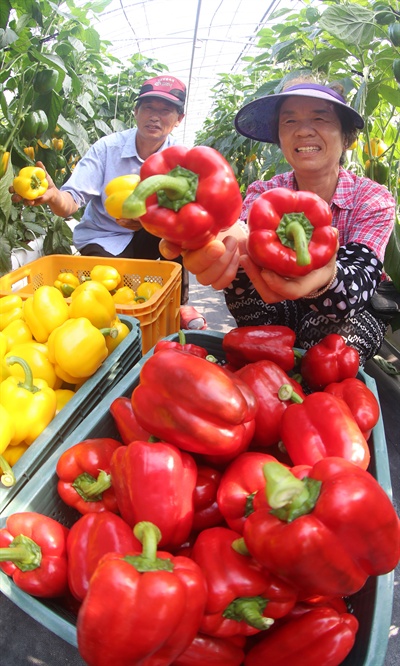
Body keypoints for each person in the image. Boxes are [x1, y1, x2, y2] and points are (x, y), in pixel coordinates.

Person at [160, 78, 396, 365]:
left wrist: (323, 279)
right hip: (277, 304)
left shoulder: (371, 198)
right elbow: (241, 232)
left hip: (347, 312)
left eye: (320, 118)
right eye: (289, 122)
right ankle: (263, 358)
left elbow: (360, 279)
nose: (303, 131)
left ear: (347, 137)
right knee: (244, 267)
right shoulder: (264, 193)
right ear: (279, 138)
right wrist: (211, 236)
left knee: (330, 351)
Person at [10, 74, 196, 310]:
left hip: (150, 237)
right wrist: (53, 195)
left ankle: (182, 306)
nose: (155, 117)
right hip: (103, 237)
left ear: (179, 118)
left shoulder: (180, 160)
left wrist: (148, 220)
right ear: (136, 112)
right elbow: (71, 201)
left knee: (182, 231)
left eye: (166, 110)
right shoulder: (108, 149)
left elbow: (189, 212)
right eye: (148, 107)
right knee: (110, 297)